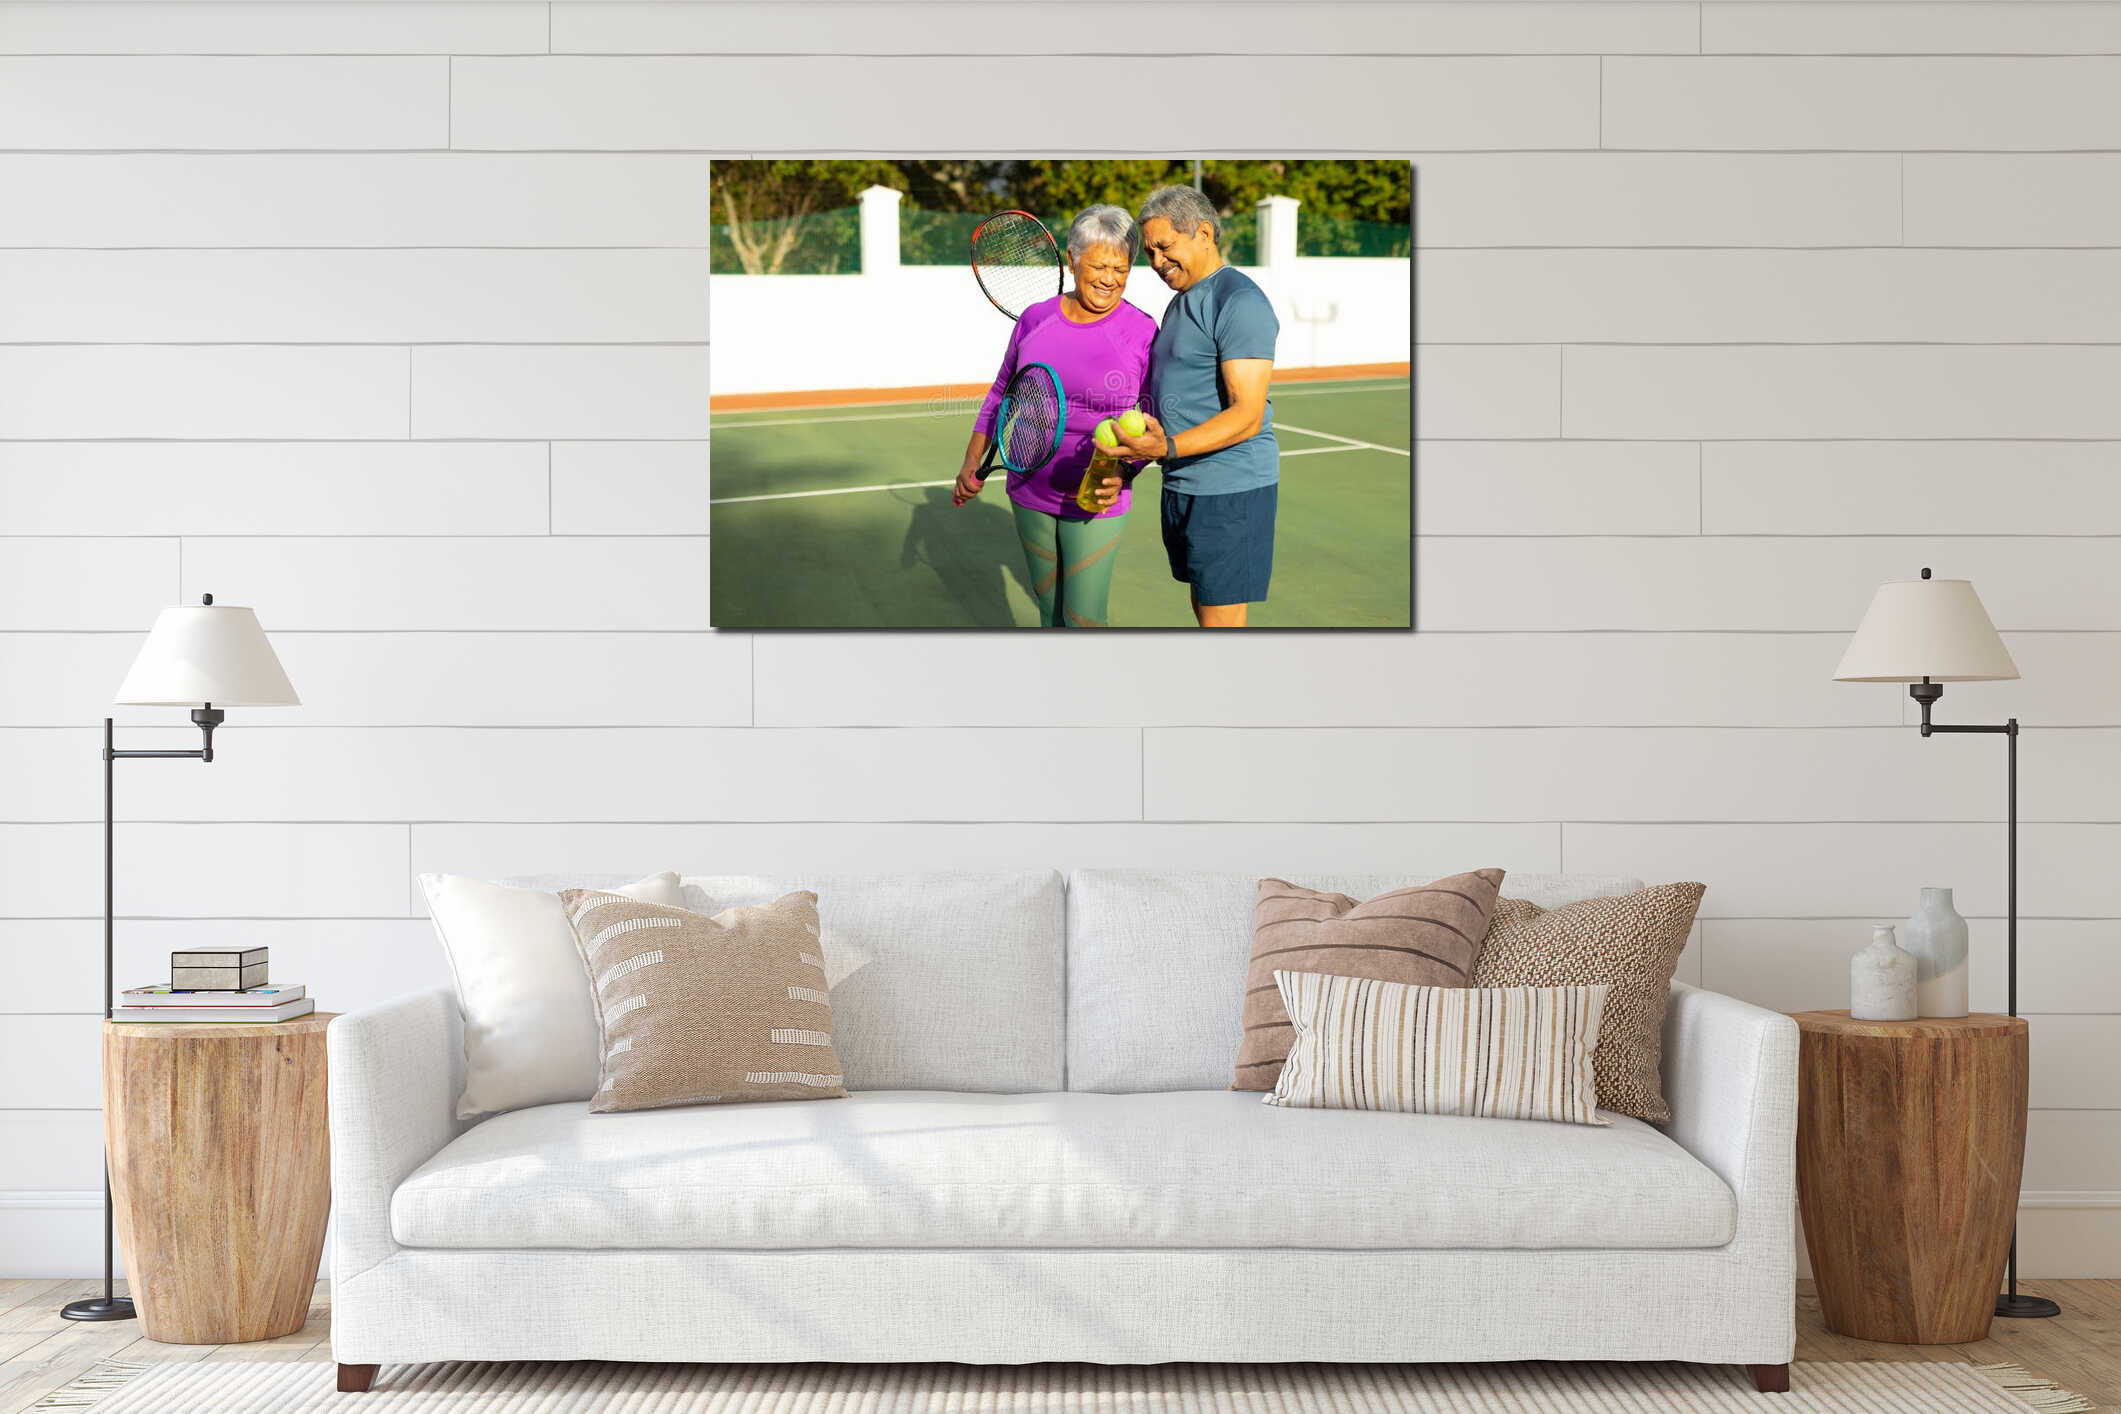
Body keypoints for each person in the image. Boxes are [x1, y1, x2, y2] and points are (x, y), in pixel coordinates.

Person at [954, 206, 1156, 629]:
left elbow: (1154, 418)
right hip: (1029, 487)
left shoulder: (1141, 330)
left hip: (1097, 495)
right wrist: (972, 460)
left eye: (1121, 268)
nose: (1109, 279)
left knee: (1084, 618)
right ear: (1071, 259)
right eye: (1099, 265)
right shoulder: (1035, 319)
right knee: (1049, 615)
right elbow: (1000, 394)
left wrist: (1126, 470)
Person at [1099, 184, 1280, 628]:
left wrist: (1166, 449)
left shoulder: (1238, 301)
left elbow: (1247, 415)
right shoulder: (1180, 304)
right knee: (1204, 610)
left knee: (1221, 621)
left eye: (1165, 246)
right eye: (1151, 252)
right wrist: (1131, 461)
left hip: (1229, 489)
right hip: (1184, 484)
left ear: (1203, 232)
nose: (1157, 262)